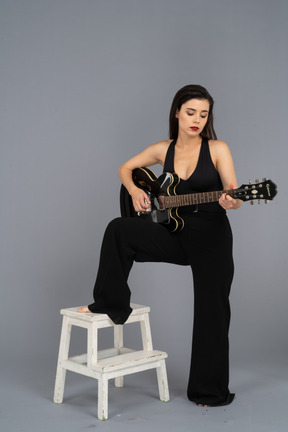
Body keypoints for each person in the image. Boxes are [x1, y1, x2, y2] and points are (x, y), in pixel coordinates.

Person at [79, 84, 242, 407]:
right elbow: (125, 169)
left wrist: (231, 202)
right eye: (191, 112)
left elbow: (233, 192)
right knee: (119, 229)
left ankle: (209, 392)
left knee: (213, 312)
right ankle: (111, 302)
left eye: (204, 114)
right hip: (175, 234)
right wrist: (136, 191)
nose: (197, 119)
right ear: (177, 112)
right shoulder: (162, 150)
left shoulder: (218, 149)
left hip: (211, 238)